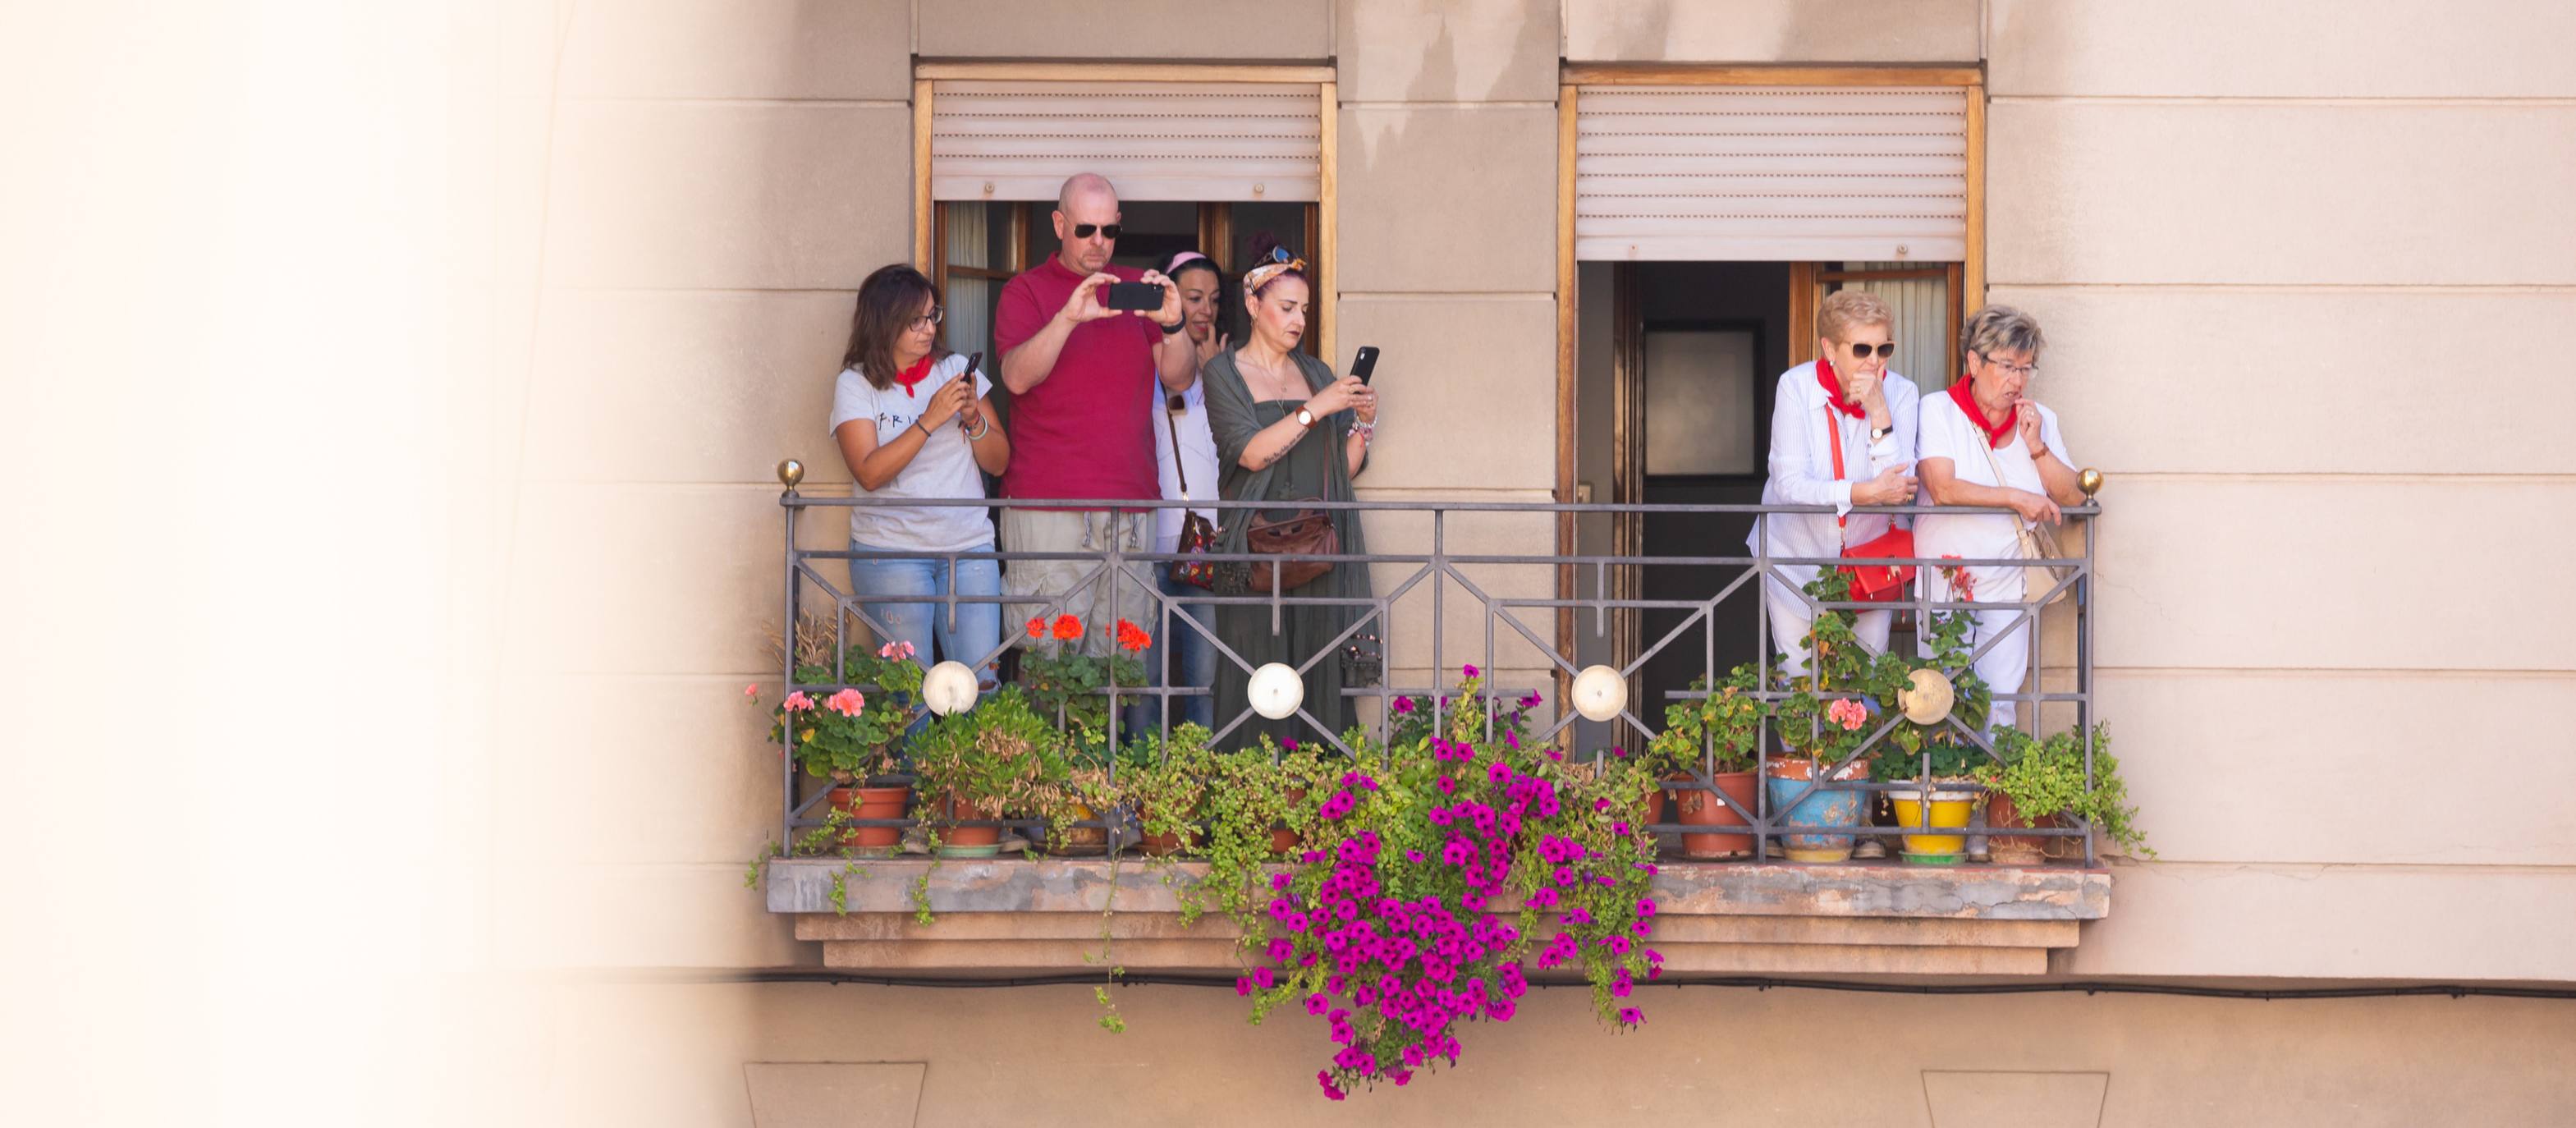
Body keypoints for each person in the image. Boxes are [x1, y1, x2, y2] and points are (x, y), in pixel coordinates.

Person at [992, 173, 1196, 664]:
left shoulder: (1132, 286)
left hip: (1130, 506)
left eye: (1109, 231)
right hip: (1048, 507)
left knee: (1120, 670)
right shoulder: (1027, 291)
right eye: (1086, 230)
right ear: (1060, 224)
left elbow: (1180, 378)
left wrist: (1172, 324)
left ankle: (1109, 748)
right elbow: (1016, 378)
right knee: (1048, 666)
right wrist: (1068, 317)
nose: (1099, 243)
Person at [1202, 238, 1378, 749]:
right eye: (1286, 308)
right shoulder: (1224, 372)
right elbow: (1251, 453)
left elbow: (1339, 468)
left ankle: (1317, 815)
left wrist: (1363, 425)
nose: (1298, 320)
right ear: (1254, 305)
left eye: (1304, 309)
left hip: (1316, 550)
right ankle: (1253, 813)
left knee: (1315, 675)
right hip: (1255, 553)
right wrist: (1315, 409)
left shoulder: (1316, 372)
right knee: (1255, 677)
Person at [829, 264, 1012, 693]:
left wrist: (973, 420)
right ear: (884, 322)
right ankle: (916, 765)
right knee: (909, 696)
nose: (928, 328)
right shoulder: (856, 383)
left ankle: (976, 764)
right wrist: (929, 420)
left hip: (968, 549)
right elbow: (869, 473)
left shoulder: (954, 370)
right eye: (915, 320)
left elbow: (1000, 462)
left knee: (981, 688)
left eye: (933, 315)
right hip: (892, 552)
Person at [1915, 305, 2085, 734]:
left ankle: (1991, 796)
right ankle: (1946, 796)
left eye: (2026, 369)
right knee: (1939, 697)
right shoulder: (1938, 410)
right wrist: (2016, 498)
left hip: (2009, 579)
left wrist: (2037, 447)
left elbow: (2073, 496)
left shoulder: (2040, 420)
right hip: (1946, 578)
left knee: (2000, 702)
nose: (2018, 380)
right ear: (1974, 362)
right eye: (2008, 366)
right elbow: (1943, 488)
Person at [1749, 289, 1921, 677]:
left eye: (1884, 349)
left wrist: (1879, 413)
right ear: (1830, 348)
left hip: (1872, 563)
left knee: (1865, 684)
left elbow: (1899, 487)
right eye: (1862, 349)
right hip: (1796, 560)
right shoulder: (1795, 387)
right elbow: (1790, 484)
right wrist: (1861, 493)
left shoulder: (1902, 393)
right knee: (1801, 687)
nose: (1875, 361)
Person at [1143, 250, 1226, 729]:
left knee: (1203, 680)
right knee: (1147, 679)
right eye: (1194, 298)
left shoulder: (1227, 367)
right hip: (1151, 543)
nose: (1205, 310)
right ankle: (1137, 780)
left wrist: (1218, 377)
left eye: (1213, 300)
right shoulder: (1151, 362)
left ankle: (1199, 780)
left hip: (1203, 546)